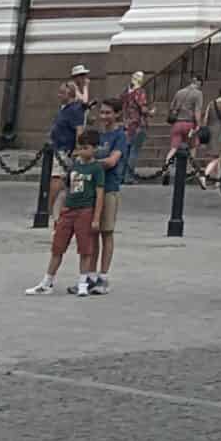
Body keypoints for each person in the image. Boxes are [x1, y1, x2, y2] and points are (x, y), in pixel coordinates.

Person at [27, 124, 106, 296]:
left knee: (85, 248)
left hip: (85, 210)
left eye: (86, 148)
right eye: (80, 148)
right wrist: (58, 213)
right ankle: (47, 281)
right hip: (69, 210)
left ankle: (83, 282)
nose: (82, 152)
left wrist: (96, 218)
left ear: (95, 149)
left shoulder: (97, 169)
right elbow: (66, 189)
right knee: (58, 247)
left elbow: (99, 194)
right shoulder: (74, 166)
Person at [88, 99, 133, 294]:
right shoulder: (97, 135)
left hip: (109, 187)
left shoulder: (119, 136)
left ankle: (103, 276)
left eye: (108, 113)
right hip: (92, 187)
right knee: (92, 233)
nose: (104, 116)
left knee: (106, 231)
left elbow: (112, 161)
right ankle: (89, 275)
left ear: (116, 114)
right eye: (102, 113)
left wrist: (90, 163)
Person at [119, 70, 151, 169]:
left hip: (126, 125)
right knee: (134, 151)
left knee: (126, 150)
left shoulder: (125, 92)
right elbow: (143, 108)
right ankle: (129, 176)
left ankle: (121, 175)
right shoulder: (140, 92)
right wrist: (151, 112)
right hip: (138, 125)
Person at [166, 75, 203, 156]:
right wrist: (199, 125)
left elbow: (172, 107)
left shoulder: (179, 92)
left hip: (177, 123)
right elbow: (197, 111)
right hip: (190, 124)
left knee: (174, 148)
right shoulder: (198, 93)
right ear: (199, 83)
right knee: (192, 147)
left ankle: (166, 166)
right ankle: (190, 167)